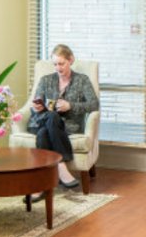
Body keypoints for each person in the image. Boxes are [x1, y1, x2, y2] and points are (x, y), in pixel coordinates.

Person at [28, 44, 99, 198]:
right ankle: (61, 165)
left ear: (71, 60)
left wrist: (70, 106)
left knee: (42, 134)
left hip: (67, 126)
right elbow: (36, 103)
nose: (58, 68)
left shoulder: (82, 80)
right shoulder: (45, 80)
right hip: (41, 120)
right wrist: (36, 107)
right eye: (55, 64)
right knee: (51, 116)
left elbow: (94, 104)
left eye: (61, 63)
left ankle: (41, 186)